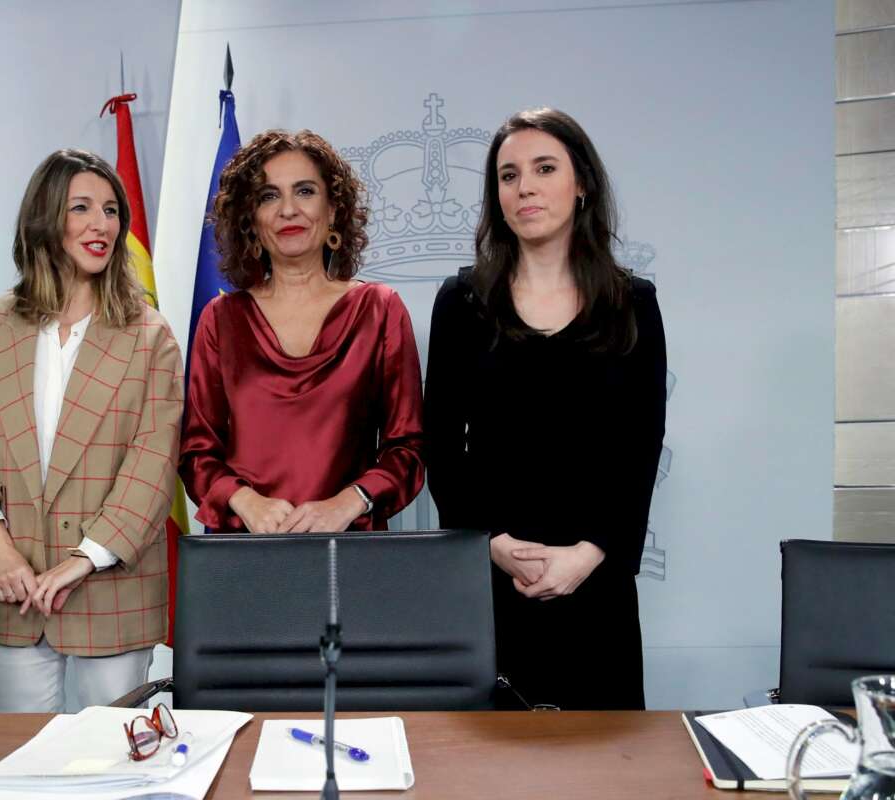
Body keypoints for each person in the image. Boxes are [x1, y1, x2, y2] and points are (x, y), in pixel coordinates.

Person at [424, 108, 666, 710]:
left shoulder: (632, 302)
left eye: (543, 168)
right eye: (508, 176)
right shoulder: (462, 303)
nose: (524, 186)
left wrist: (589, 554)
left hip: (596, 583)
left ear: (581, 183)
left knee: (603, 769)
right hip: (491, 579)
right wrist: (491, 543)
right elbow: (442, 444)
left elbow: (640, 446)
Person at [0, 149, 183, 712]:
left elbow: (152, 466)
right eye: (81, 208)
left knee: (117, 764)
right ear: (45, 218)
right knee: (24, 765)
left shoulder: (150, 336)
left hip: (110, 586)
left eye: (111, 210)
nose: (102, 225)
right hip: (13, 588)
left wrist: (84, 559)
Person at [180, 129, 424, 533]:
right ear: (251, 221)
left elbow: (408, 449)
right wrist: (246, 503)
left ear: (332, 211)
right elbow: (196, 454)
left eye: (305, 191)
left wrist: (349, 503)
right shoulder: (220, 320)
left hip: (350, 559)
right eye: (269, 196)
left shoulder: (379, 310)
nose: (288, 209)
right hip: (243, 561)